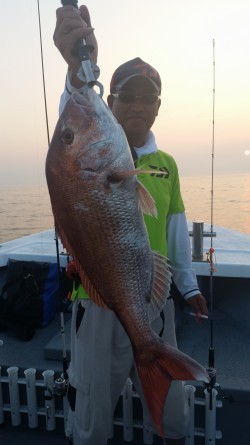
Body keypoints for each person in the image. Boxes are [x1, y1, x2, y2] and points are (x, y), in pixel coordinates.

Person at [53, 5, 209, 445]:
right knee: (93, 407)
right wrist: (79, 74)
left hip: (153, 301)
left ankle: (170, 432)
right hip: (97, 301)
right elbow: (74, 125)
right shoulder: (95, 149)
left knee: (174, 409)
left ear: (157, 108)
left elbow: (176, 232)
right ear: (111, 101)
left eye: (148, 98)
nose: (138, 106)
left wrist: (190, 285)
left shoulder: (166, 165)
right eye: (128, 96)